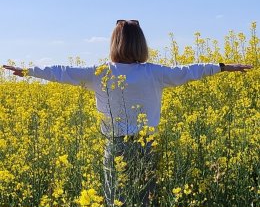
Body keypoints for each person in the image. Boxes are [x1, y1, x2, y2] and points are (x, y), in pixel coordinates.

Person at [3, 20, 252, 206]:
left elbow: (60, 71)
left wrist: (27, 71)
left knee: (116, 199)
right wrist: (223, 67)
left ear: (114, 43)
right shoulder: (154, 73)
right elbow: (188, 71)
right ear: (141, 44)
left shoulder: (98, 73)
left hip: (116, 145)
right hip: (146, 145)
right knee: (144, 197)